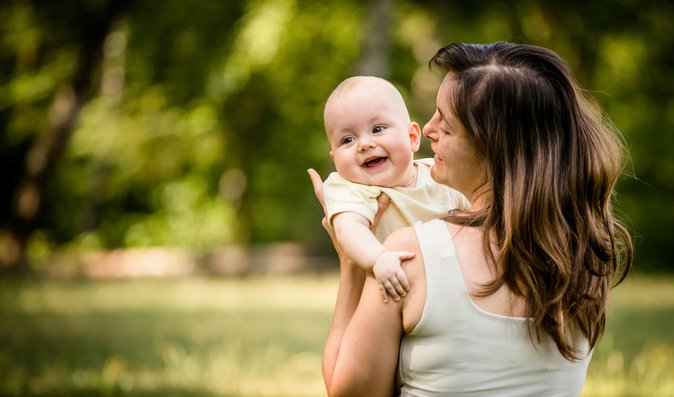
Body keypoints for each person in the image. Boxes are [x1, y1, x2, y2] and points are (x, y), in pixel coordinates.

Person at [308, 42, 633, 397]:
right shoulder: (582, 259)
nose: (427, 130)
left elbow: (350, 394)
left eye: (445, 125)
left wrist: (350, 265)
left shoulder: (409, 256)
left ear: (490, 144)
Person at [320, 76, 469, 302]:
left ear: (412, 137)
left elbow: (479, 212)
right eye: (347, 139)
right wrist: (378, 258)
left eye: (378, 129)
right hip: (391, 293)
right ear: (334, 159)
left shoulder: (440, 175)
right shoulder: (350, 189)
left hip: (454, 289)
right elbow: (349, 230)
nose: (364, 144)